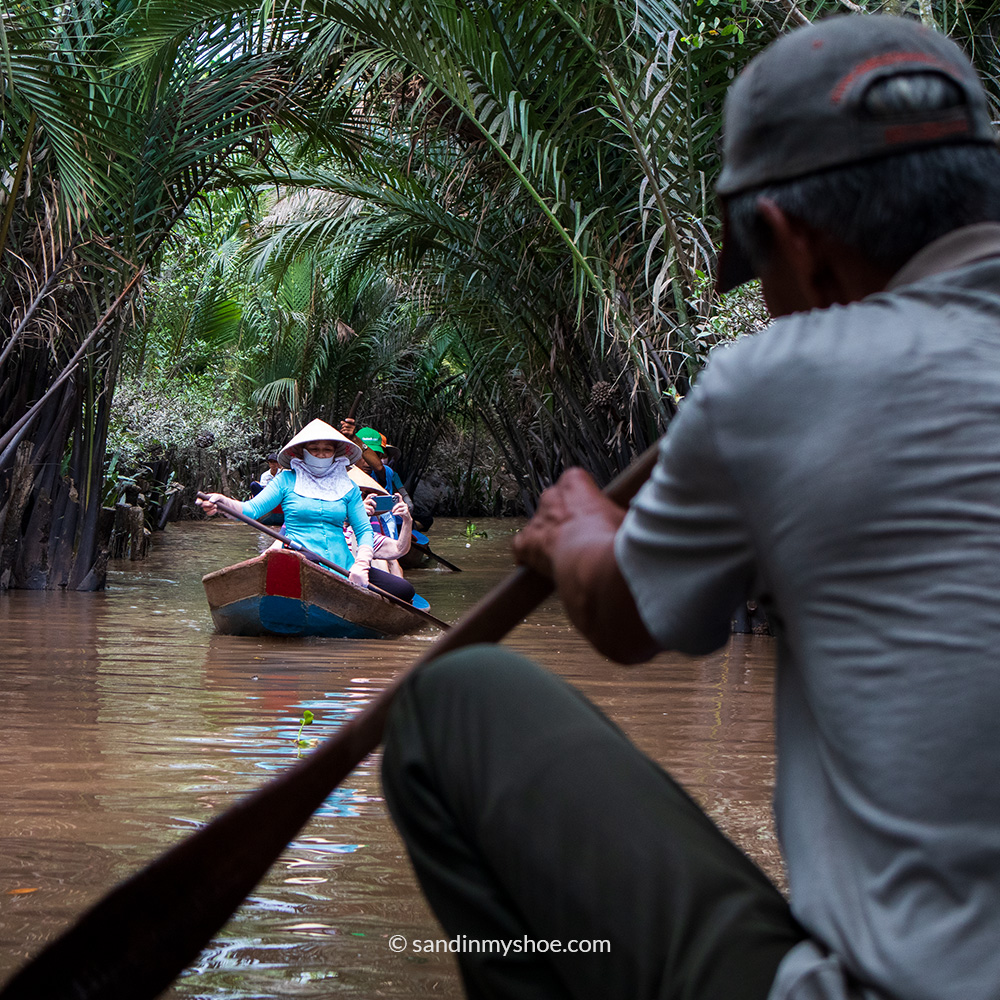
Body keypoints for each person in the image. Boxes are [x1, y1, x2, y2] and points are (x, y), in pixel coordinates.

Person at [379, 15, 1000, 1000]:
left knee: (455, 700)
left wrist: (576, 528)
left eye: (762, 278)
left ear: (798, 242)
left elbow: (623, 618)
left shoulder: (783, 378)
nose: (765, 308)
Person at [197, 419, 375, 589]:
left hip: (341, 564)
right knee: (305, 567)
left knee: (401, 588)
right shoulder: (286, 480)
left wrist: (361, 564)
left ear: (335, 453)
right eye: (314, 449)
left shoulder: (348, 486)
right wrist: (222, 502)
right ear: (302, 451)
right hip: (298, 559)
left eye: (327, 449)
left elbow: (364, 529)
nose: (321, 454)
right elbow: (252, 509)